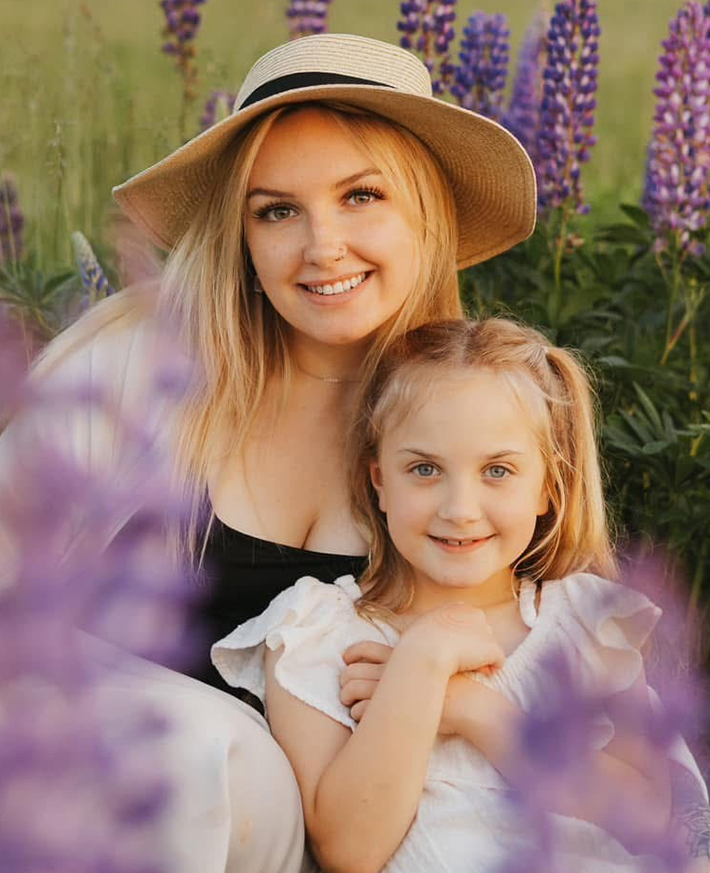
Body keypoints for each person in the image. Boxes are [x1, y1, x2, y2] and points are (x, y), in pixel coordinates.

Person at [0, 34, 539, 873]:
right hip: (85, 796)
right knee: (192, 746)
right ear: (241, 234)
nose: (321, 245)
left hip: (330, 841)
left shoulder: (470, 422)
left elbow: (551, 668)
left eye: (361, 196)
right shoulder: (142, 364)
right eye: (276, 209)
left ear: (425, 213)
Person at [212, 317, 709, 873]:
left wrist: (468, 708)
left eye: (497, 470)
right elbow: (348, 849)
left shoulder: (586, 623)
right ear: (379, 481)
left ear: (548, 485)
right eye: (424, 469)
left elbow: (643, 817)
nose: (459, 508)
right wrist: (423, 662)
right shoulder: (318, 633)